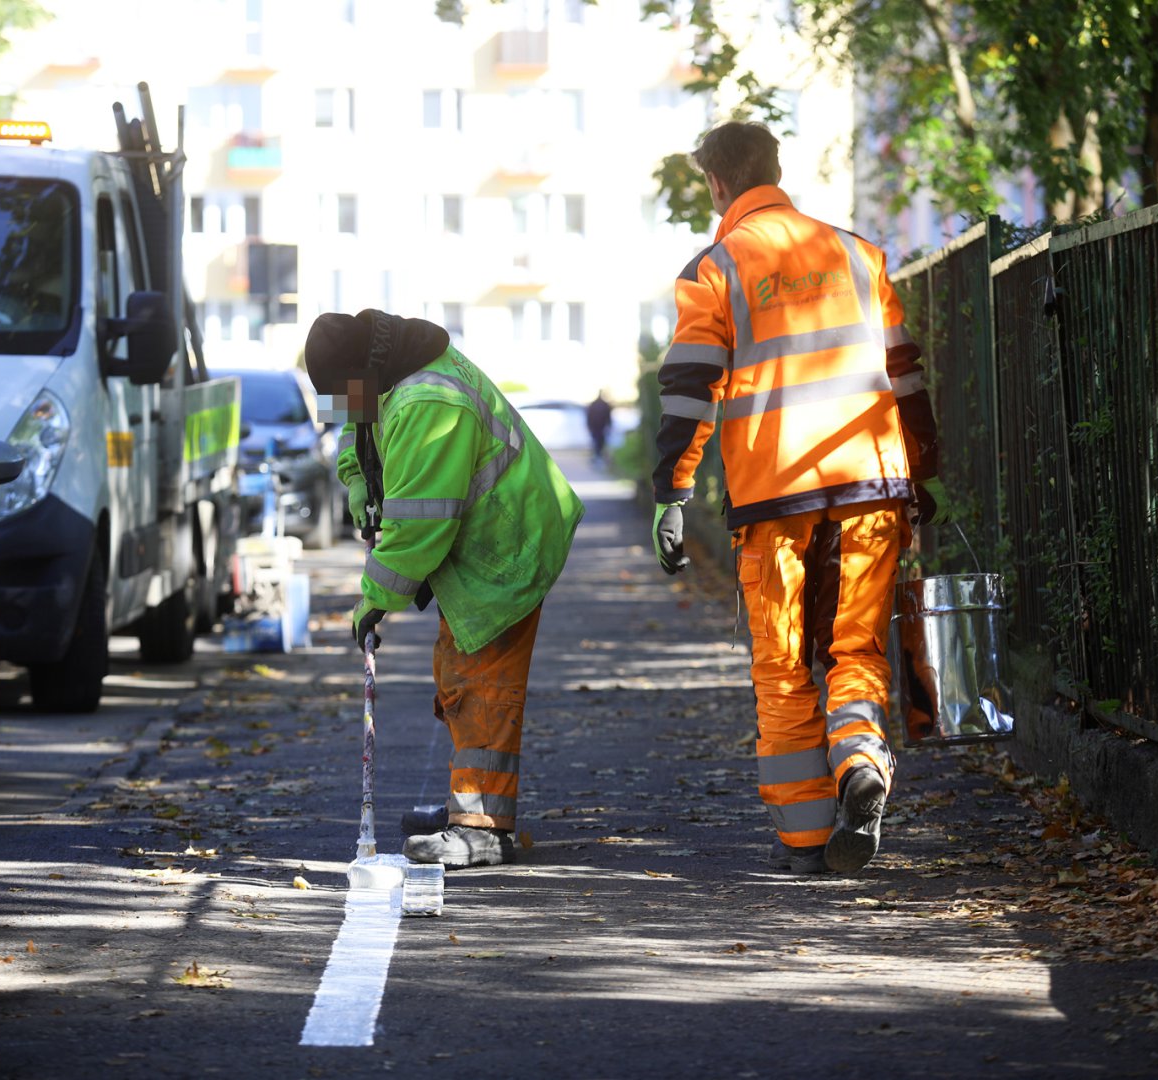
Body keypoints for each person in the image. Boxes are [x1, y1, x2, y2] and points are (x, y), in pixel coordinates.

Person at [649, 122, 947, 875]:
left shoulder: (712, 270)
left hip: (773, 496)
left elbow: (689, 394)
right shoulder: (858, 253)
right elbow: (905, 372)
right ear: (776, 167)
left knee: (781, 665)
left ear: (717, 185)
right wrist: (924, 468)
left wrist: (672, 492)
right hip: (870, 479)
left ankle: (809, 838)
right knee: (857, 646)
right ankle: (859, 762)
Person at [306, 309, 585, 869]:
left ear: (361, 373)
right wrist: (362, 484)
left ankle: (481, 828)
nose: (342, 406)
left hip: (506, 550)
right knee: (458, 674)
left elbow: (419, 529)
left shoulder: (428, 402)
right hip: (483, 543)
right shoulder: (384, 374)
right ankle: (470, 807)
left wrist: (372, 601)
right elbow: (354, 433)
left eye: (342, 393)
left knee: (481, 683)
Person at [585, 390, 614, 464]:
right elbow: (608, 417)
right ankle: (598, 457)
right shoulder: (605, 404)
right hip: (601, 428)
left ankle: (597, 457)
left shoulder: (593, 404)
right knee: (600, 443)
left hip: (595, 427)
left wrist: (589, 426)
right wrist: (609, 426)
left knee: (596, 442)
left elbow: (589, 416)